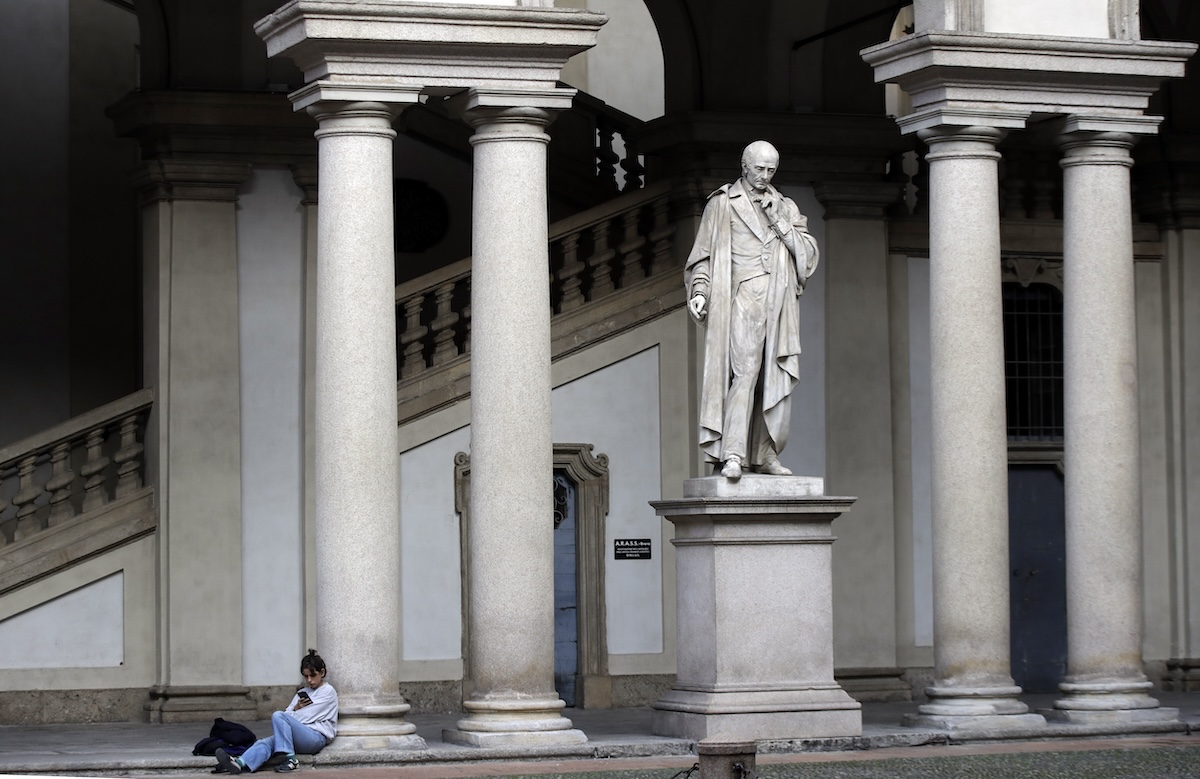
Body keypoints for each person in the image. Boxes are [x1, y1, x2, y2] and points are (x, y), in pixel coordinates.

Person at [685, 140, 819, 480]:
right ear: (744, 166)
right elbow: (703, 257)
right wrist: (700, 291)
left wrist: (780, 222)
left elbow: (808, 257)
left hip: (778, 301)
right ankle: (732, 453)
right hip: (740, 298)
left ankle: (764, 454)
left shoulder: (785, 207)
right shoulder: (722, 204)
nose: (765, 176)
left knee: (772, 377)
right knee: (745, 373)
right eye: (759, 169)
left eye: (771, 170)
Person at [216, 650, 338, 774]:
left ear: (322, 673)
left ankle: (291, 760)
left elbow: (306, 716)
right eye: (306, 676)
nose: (310, 680)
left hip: (316, 738)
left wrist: (292, 714)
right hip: (299, 735)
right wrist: (296, 709)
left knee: (278, 716)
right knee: (266, 742)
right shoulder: (303, 692)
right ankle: (239, 763)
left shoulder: (328, 691)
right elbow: (288, 713)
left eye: (313, 675)